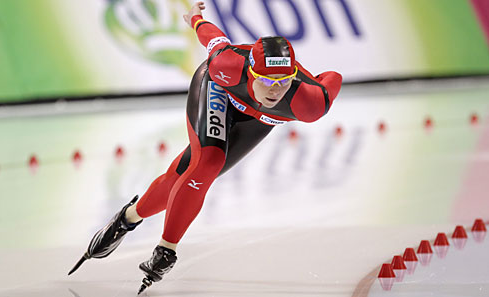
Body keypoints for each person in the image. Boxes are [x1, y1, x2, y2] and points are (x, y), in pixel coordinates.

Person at [69, 1, 342, 294]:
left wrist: (306, 80)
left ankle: (127, 218)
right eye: (267, 80)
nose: (275, 90)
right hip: (217, 90)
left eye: (283, 82)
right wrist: (196, 18)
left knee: (182, 178)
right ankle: (166, 252)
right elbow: (214, 39)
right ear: (251, 73)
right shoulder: (228, 66)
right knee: (207, 164)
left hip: (261, 119)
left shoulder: (308, 103)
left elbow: (333, 79)